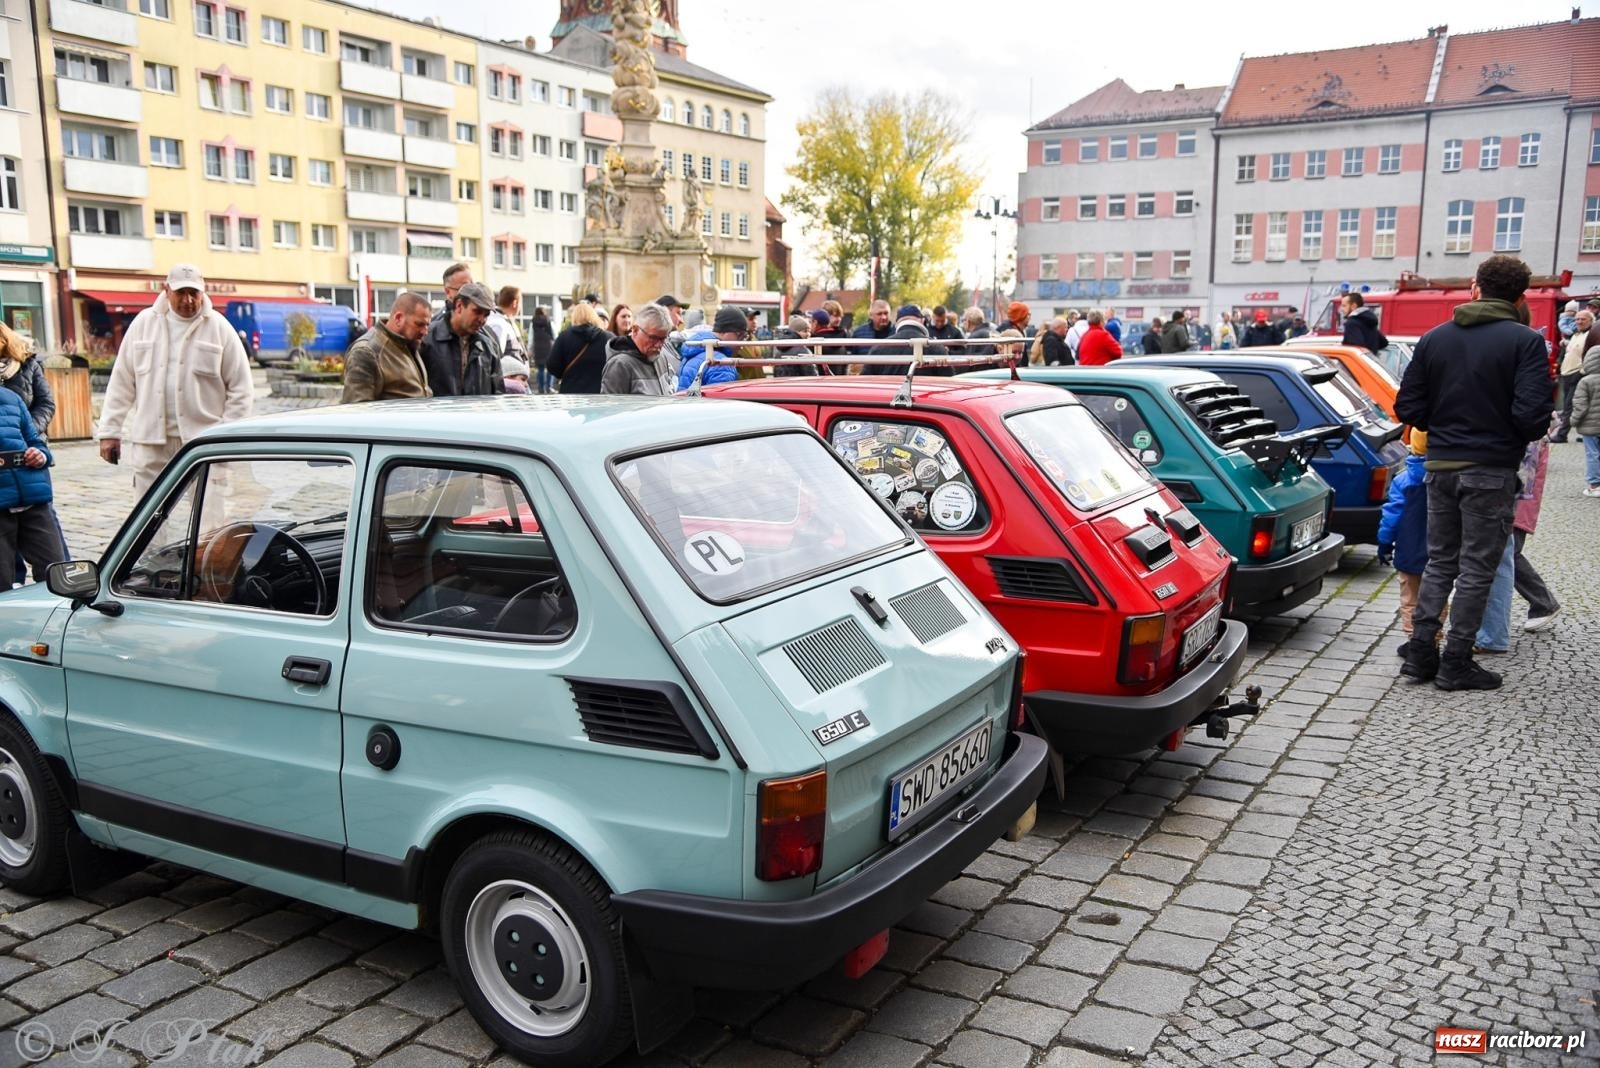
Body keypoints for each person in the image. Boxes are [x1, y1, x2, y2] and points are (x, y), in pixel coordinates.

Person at [1395, 254, 1553, 690]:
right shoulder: (1525, 342)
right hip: (1490, 470)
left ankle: (1421, 653)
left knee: (1441, 561)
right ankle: (1456, 662)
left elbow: (1408, 407)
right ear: (1520, 297)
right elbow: (1532, 417)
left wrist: (1447, 424)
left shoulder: (1435, 338)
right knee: (1478, 568)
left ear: (1475, 286)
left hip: (1441, 466)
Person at [97, 264, 253, 493]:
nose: (188, 300)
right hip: (150, 441)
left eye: (194, 293)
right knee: (149, 510)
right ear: (167, 289)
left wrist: (225, 435)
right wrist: (110, 432)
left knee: (209, 510)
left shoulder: (220, 328)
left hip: (203, 442)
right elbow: (122, 382)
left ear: (203, 292)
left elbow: (242, 389)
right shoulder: (143, 324)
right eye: (181, 292)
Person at [0, 386, 63, 588]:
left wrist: (40, 455)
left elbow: (36, 442)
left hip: (33, 499)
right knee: (2, 583)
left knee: (57, 574)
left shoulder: (11, 398)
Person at [1377, 430, 1430, 647]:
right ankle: (1433, 638)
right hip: (1440, 553)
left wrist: (1384, 543)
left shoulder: (1403, 480)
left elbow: (1392, 516)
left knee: (1410, 599)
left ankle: (1414, 640)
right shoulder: (1447, 478)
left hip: (1409, 550)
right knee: (1436, 597)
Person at [340, 292, 433, 403]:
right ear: (398, 318)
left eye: (427, 325)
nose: (425, 331)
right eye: (419, 324)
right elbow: (357, 407)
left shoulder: (409, 343)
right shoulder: (366, 351)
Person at [420, 282, 504, 397]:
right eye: (477, 311)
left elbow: (498, 392)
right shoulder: (426, 338)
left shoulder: (489, 346)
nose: (482, 320)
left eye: (486, 314)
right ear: (459, 306)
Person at [602, 302, 681, 395]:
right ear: (635, 330)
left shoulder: (661, 357)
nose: (658, 345)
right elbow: (612, 403)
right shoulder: (619, 365)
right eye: (653, 338)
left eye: (663, 339)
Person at [676, 307, 750, 389]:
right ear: (727, 331)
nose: (741, 346)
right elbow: (722, 397)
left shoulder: (694, 351)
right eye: (741, 336)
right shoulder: (721, 363)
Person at [547, 301, 611, 394]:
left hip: (571, 393)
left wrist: (565, 374)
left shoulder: (564, 337)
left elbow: (552, 365)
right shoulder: (607, 338)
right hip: (600, 393)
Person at [868, 304, 948, 376]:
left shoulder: (877, 349)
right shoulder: (938, 348)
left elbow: (866, 381)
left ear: (897, 323)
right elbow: (949, 382)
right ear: (922, 321)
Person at [1550, 308, 1592, 442]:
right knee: (1577, 405)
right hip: (1567, 373)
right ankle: (1586, 434)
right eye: (1577, 319)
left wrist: (1582, 371)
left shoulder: (1591, 334)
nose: (1579, 321)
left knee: (1569, 405)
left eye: (1583, 319)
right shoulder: (1576, 334)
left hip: (1577, 373)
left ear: (1591, 321)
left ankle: (1562, 434)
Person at [1570, 337, 1600, 496]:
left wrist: (1573, 421)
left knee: (1592, 454)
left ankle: (1595, 485)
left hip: (1590, 427)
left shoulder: (1585, 382)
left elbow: (1580, 405)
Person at [485, 286, 527, 365]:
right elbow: (495, 359)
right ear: (515, 303)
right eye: (521, 303)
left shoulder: (505, 321)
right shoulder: (499, 325)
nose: (520, 307)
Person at [529, 305, 555, 395]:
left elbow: (531, 337)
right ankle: (549, 387)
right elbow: (554, 334)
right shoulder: (549, 321)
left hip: (538, 347)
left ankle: (541, 388)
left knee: (540, 369)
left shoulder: (533, 323)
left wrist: (530, 349)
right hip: (548, 347)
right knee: (550, 368)